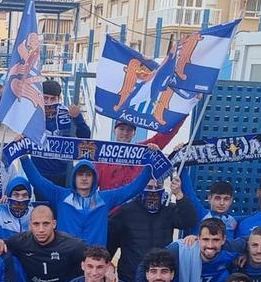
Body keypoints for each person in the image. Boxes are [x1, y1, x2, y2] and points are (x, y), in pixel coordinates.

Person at [20, 154, 152, 246]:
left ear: (94, 178)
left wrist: (149, 165)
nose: (84, 178)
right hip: (66, 258)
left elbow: (133, 189)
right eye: (80, 174)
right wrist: (24, 157)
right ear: (74, 177)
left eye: (88, 175)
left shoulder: (105, 198)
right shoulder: (60, 196)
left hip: (94, 262)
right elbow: (38, 181)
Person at [109, 175, 197, 282]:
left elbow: (189, 221)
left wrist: (179, 194)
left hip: (160, 277)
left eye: (158, 187)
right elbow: (111, 243)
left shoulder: (168, 209)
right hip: (130, 277)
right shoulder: (125, 211)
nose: (153, 191)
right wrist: (108, 265)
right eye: (149, 187)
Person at [98, 119, 183, 191]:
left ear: (134, 133)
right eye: (121, 129)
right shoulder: (101, 153)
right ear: (114, 131)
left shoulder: (142, 149)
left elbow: (166, 135)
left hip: (133, 203)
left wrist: (181, 116)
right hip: (107, 203)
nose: (125, 133)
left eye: (129, 130)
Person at [33, 80, 91, 186]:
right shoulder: (32, 114)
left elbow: (86, 136)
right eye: (45, 98)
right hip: (40, 173)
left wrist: (78, 118)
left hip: (65, 173)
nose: (49, 102)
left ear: (59, 98)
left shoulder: (68, 114)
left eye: (53, 99)